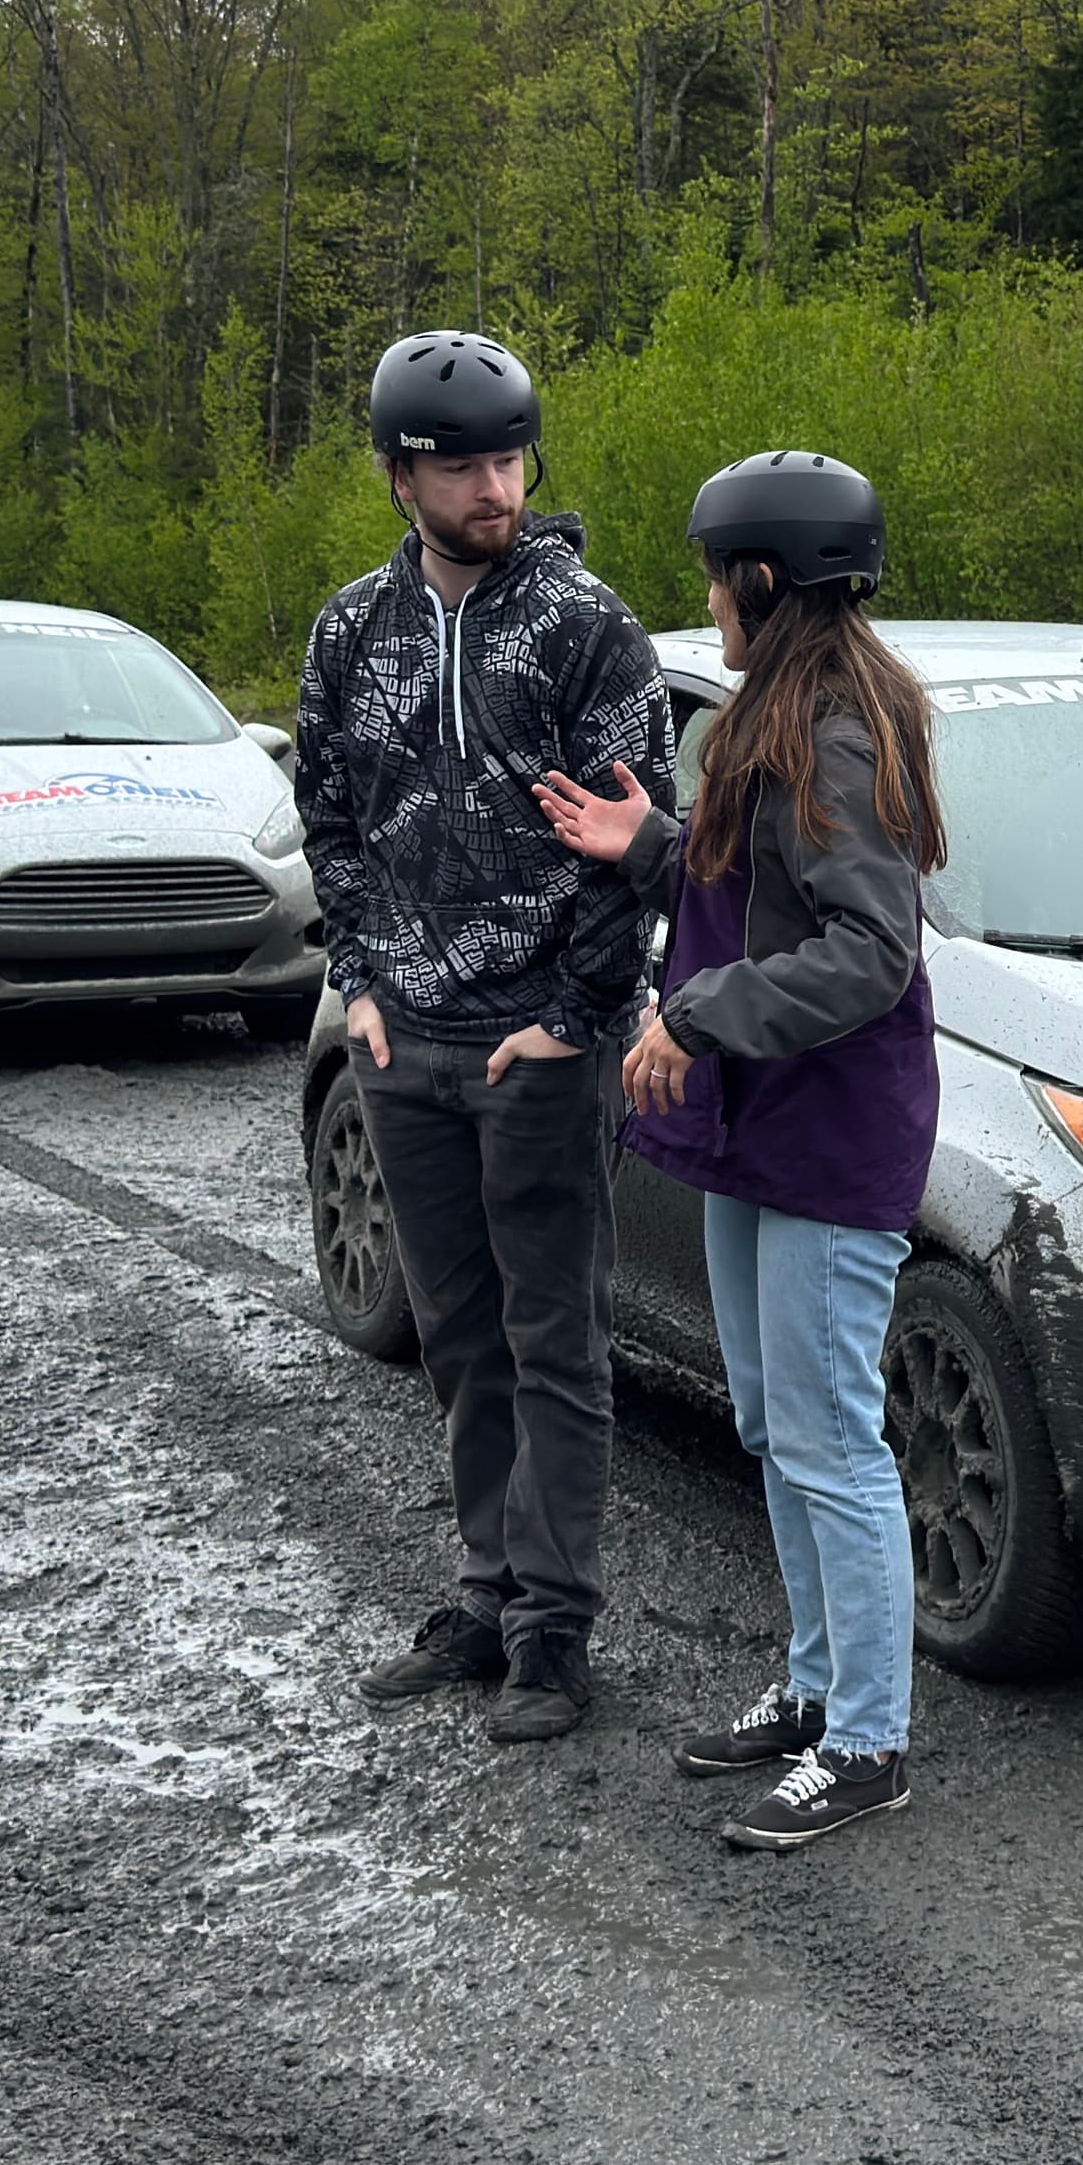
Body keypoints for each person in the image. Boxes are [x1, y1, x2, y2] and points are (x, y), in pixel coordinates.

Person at [533, 450, 942, 1852]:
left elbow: (868, 953)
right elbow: (753, 889)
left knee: (834, 1441)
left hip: (829, 1137)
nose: (705, 600)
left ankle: (871, 1742)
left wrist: (696, 1019)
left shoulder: (832, 728)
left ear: (760, 581)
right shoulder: (784, 709)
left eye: (716, 576)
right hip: (763, 1130)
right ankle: (821, 1690)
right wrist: (646, 841)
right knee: (777, 1428)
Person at [298, 331, 661, 1746]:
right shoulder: (350, 632)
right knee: (455, 1334)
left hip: (540, 1049)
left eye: (510, 460)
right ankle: (486, 1591)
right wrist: (362, 977)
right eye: (462, 468)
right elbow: (326, 806)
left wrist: (573, 1021)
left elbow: (634, 845)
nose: (495, 487)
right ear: (401, 477)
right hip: (407, 1042)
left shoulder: (586, 627)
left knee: (554, 1336)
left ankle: (554, 1635)